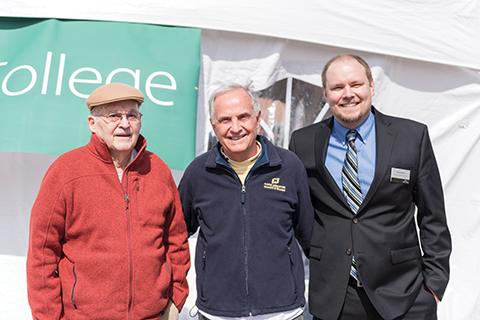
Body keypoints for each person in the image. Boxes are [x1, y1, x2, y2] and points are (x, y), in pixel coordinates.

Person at [289, 54, 451, 320]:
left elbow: (433, 216)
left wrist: (433, 285)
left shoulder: (411, 137)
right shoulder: (303, 142)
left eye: (356, 84)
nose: (348, 94)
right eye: (338, 87)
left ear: (372, 86)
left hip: (405, 296)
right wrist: (322, 252)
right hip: (335, 299)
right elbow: (300, 215)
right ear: (325, 93)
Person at [27, 82, 190, 320]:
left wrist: (176, 298)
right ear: (93, 124)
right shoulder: (66, 172)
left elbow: (176, 240)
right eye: (114, 116)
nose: (124, 124)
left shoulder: (158, 170)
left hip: (154, 315)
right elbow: (42, 254)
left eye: (132, 115)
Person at [178, 83, 313, 320]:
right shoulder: (198, 174)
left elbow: (310, 235)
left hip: (282, 312)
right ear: (213, 125)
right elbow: (176, 234)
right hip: (217, 313)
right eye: (225, 120)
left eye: (243, 117)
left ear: (258, 119)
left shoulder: (289, 167)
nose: (235, 128)